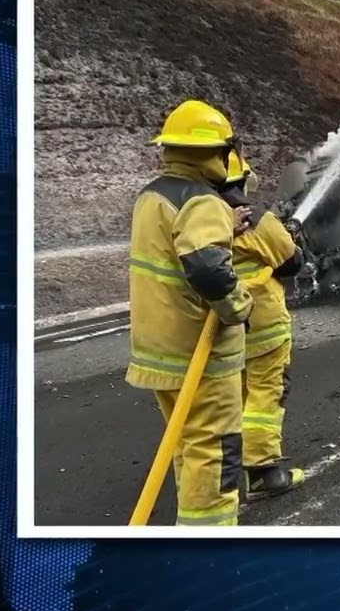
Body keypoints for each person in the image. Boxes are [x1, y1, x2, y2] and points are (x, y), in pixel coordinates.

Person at [126, 99, 254, 526]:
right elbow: (207, 268)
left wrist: (226, 229)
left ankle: (190, 524)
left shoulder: (153, 196)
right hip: (196, 352)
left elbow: (177, 246)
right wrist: (238, 306)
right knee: (215, 449)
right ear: (216, 153)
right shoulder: (203, 201)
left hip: (157, 347)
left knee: (188, 442)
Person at [219, 153, 307, 500]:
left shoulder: (200, 218)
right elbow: (291, 264)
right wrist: (290, 239)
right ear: (242, 180)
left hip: (223, 327)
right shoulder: (255, 219)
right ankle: (263, 473)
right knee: (265, 394)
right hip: (263, 326)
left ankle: (227, 472)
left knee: (233, 396)